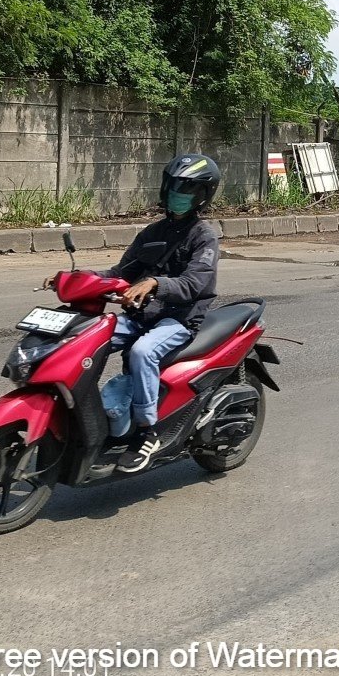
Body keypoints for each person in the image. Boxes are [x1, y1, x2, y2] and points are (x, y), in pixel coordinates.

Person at [104, 153, 223, 474]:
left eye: (186, 189)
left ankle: (147, 432)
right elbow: (120, 272)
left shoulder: (204, 236)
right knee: (91, 335)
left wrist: (155, 283)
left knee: (143, 352)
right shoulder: (151, 233)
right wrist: (75, 279)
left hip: (180, 319)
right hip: (144, 315)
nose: (177, 195)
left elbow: (194, 283)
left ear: (202, 195)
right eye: (173, 187)